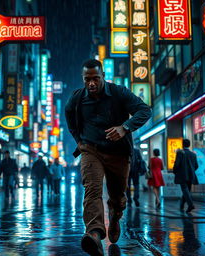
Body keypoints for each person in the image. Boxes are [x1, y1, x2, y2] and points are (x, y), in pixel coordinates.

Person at [65, 59, 151, 255]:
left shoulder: (119, 93)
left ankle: (114, 217)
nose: (92, 83)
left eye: (96, 78)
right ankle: (94, 233)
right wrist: (79, 139)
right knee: (92, 189)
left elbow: (145, 110)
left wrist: (124, 127)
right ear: (83, 79)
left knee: (118, 196)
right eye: (87, 79)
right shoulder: (77, 98)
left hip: (118, 153)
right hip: (90, 150)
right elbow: (69, 114)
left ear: (103, 76)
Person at [173, 139, 198, 213]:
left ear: (182, 145)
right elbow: (196, 166)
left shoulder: (180, 153)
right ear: (189, 145)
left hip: (182, 175)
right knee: (187, 190)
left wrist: (175, 171)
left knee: (185, 190)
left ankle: (190, 204)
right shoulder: (193, 154)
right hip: (191, 175)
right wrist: (191, 170)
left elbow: (177, 164)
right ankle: (182, 204)